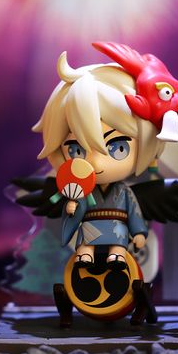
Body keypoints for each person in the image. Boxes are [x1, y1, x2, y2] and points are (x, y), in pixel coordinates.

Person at [32, 51, 165, 269]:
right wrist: (72, 206)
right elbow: (75, 209)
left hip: (117, 231)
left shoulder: (124, 193)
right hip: (90, 230)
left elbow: (134, 213)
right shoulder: (83, 190)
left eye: (118, 148)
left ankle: (116, 257)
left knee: (118, 247)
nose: (96, 163)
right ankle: (86, 256)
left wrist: (139, 232)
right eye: (76, 150)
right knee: (85, 245)